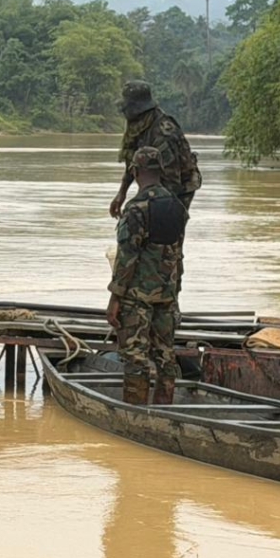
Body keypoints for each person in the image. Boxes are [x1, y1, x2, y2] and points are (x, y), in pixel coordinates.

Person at [106, 146, 188, 406]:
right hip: (167, 295)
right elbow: (178, 255)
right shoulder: (177, 207)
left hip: (137, 297)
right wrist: (175, 292)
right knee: (165, 357)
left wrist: (115, 299)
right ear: (160, 171)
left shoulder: (136, 209)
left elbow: (127, 258)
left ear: (135, 171)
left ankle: (135, 414)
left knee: (136, 358)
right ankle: (164, 411)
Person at [110, 80, 202, 220]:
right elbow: (133, 162)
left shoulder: (162, 134)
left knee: (167, 224)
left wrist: (162, 211)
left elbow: (172, 180)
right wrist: (122, 193)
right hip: (157, 181)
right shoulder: (138, 126)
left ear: (136, 108)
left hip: (181, 186)